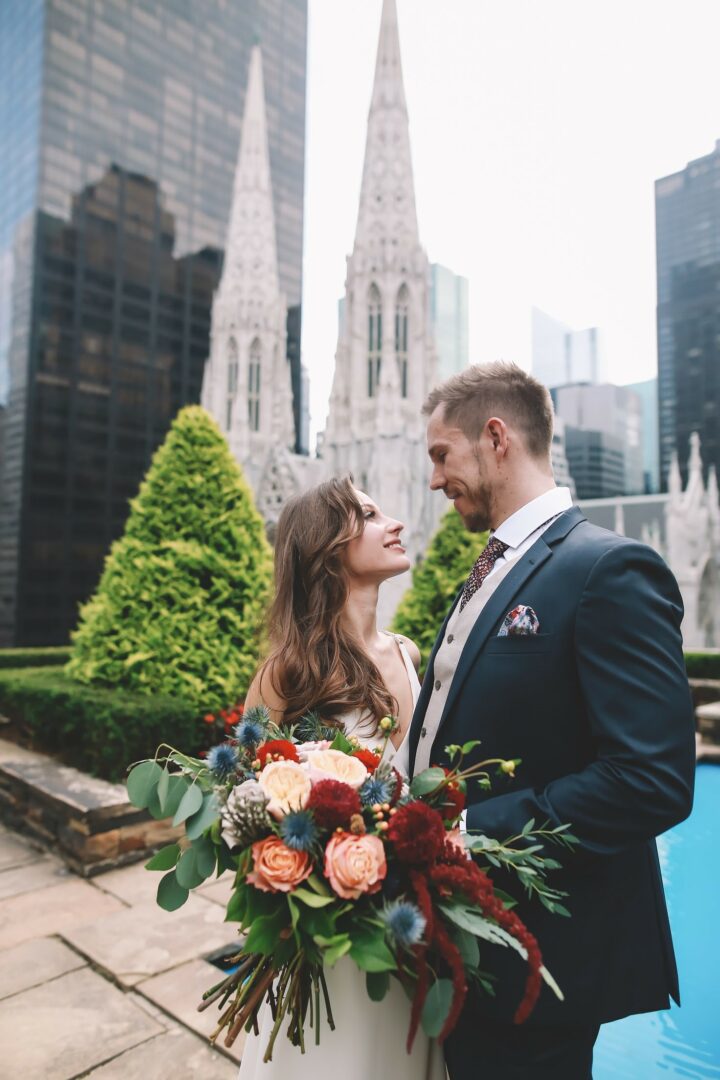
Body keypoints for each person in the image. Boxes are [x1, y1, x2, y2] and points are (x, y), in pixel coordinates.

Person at [406, 360, 696, 1080]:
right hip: (467, 943)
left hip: (540, 960)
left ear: (496, 438)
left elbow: (651, 779)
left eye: (443, 455)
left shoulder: (608, 569)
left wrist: (472, 834)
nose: (435, 480)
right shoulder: (494, 564)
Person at [238, 476, 446, 1080]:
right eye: (371, 515)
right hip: (325, 942)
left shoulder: (409, 654)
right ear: (329, 546)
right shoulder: (288, 672)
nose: (396, 523)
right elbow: (243, 803)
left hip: (406, 927)